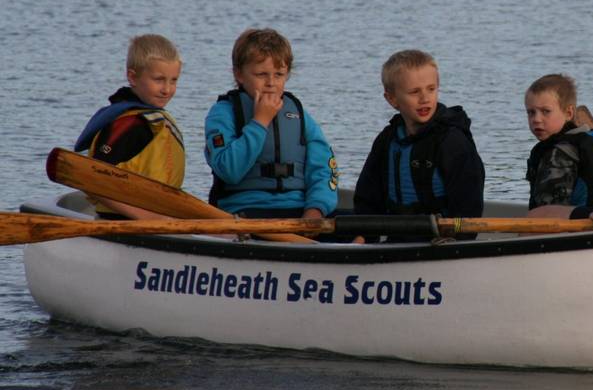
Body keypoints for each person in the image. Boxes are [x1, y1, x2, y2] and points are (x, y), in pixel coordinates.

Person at [204, 28, 340, 222]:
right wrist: (260, 122)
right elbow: (229, 171)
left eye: (279, 74)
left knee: (360, 227)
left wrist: (316, 209)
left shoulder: (299, 114)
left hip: (298, 210)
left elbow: (325, 168)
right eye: (261, 74)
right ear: (239, 75)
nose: (271, 83)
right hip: (244, 211)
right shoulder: (223, 114)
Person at [353, 49, 485, 239]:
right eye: (414, 92)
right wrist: (363, 238)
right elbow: (368, 198)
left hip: (443, 243)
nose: (425, 98)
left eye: (431, 89)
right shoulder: (387, 140)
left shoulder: (452, 142)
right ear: (392, 99)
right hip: (398, 240)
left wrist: (456, 241)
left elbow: (468, 205)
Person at [74, 34, 185, 219]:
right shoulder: (131, 124)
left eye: (173, 80)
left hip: (157, 220)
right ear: (132, 77)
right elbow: (93, 180)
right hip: (124, 221)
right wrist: (148, 218)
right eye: (158, 80)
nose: (167, 89)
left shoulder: (150, 119)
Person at [523, 74, 593, 217]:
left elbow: (548, 206)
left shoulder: (559, 152)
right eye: (531, 112)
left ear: (569, 113)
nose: (536, 119)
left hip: (574, 228)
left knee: (536, 215)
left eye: (546, 111)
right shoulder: (592, 139)